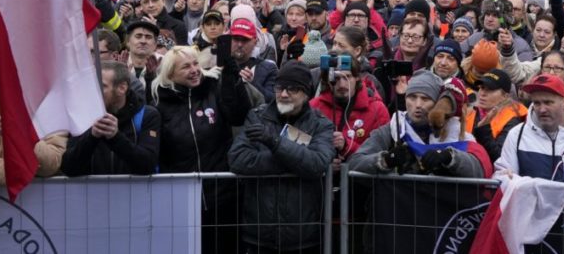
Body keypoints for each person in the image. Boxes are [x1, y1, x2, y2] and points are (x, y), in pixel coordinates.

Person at [152, 46, 251, 253]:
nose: (194, 70)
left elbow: (239, 115)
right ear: (170, 74)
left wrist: (235, 81)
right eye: (186, 67)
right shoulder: (160, 103)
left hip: (222, 194)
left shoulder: (213, 88)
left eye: (196, 63)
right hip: (181, 196)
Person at [228, 62, 335, 253]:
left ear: (306, 93)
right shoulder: (257, 116)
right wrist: (294, 162)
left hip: (303, 236)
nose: (284, 94)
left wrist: (275, 143)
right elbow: (238, 159)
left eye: (292, 89)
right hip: (259, 234)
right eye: (279, 88)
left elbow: (317, 164)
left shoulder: (321, 125)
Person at [349, 71, 491, 177]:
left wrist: (449, 157)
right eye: (412, 97)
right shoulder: (393, 130)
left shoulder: (454, 131)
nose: (418, 105)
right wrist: (386, 160)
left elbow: (480, 168)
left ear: (436, 103)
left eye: (425, 99)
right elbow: (355, 163)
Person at [61, 61, 161, 175]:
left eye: (101, 86)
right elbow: (68, 168)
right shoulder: (82, 115)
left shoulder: (147, 115)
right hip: (91, 192)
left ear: (122, 88)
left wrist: (115, 137)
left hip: (134, 191)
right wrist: (92, 136)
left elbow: (147, 165)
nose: (94, 91)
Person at [309, 46, 389, 162]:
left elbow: (379, 155)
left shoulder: (377, 110)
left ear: (357, 77)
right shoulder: (314, 107)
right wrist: (324, 161)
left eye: (347, 77)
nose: (342, 85)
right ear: (327, 80)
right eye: (336, 78)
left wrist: (347, 146)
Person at [467, 69, 527, 162]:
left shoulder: (513, 119)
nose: (482, 93)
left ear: (505, 96)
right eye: (482, 87)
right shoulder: (469, 111)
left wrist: (483, 130)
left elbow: (500, 157)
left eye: (490, 90)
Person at [226, 18, 279, 103]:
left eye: (244, 40)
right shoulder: (219, 66)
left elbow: (273, 101)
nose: (239, 44)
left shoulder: (268, 68)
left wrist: (252, 84)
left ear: (255, 41)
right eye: (236, 39)